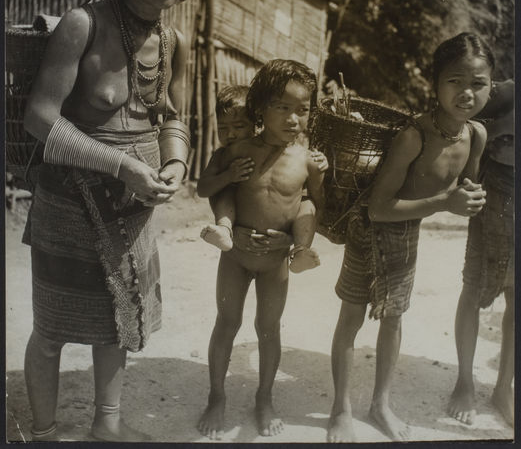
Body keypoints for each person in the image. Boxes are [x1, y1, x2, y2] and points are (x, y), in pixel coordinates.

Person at [22, 0, 202, 442]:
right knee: (52, 328)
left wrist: (174, 161)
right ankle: (46, 432)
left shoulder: (175, 42)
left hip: (134, 208)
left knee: (119, 321)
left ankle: (107, 427)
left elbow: (173, 117)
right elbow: (38, 119)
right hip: (68, 205)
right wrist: (120, 163)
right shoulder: (83, 25)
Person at [327, 32, 493, 442]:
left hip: (407, 234)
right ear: (435, 85)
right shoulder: (414, 136)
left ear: (491, 86)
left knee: (393, 318)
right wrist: (443, 201)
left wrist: (471, 195)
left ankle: (380, 404)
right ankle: (339, 409)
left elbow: (465, 184)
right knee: (351, 317)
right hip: (371, 231)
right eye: (455, 81)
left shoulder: (475, 135)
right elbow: (378, 208)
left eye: (478, 83)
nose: (466, 93)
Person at [197, 59, 325, 439]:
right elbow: (210, 190)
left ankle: (264, 398)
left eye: (302, 110)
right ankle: (216, 396)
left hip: (276, 260)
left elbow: (318, 206)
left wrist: (291, 240)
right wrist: (228, 227)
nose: (292, 119)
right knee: (227, 323)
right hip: (235, 255)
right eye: (282, 107)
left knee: (268, 329)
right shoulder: (237, 150)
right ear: (260, 108)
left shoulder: (305, 160)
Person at [198, 84, 325, 273]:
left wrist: (321, 161)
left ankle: (300, 252)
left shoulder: (278, 153)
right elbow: (203, 189)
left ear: (256, 124)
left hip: (277, 247)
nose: (230, 134)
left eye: (239, 127)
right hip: (236, 240)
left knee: (307, 204)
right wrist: (228, 176)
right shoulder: (222, 155)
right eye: (222, 128)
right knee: (228, 190)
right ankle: (224, 229)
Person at [447, 77, 514, 427]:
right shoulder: (506, 91)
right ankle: (464, 380)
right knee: (474, 288)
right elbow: (466, 116)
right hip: (497, 188)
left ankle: (504, 388)